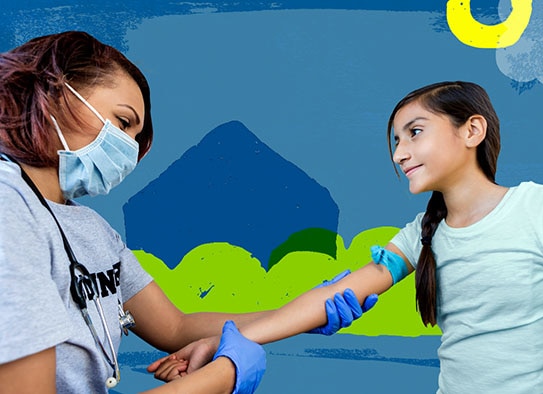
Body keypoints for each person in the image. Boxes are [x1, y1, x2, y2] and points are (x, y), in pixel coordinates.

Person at [0, 31, 378, 394]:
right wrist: (220, 378)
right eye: (123, 122)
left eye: (136, 138)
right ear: (53, 92)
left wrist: (303, 312)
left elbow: (175, 327)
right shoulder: (8, 207)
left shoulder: (91, 228)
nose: (129, 151)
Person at [152, 81, 543, 394]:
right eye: (396, 141)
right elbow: (329, 296)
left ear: (471, 131)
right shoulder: (421, 235)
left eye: (415, 132)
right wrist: (230, 339)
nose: (400, 153)